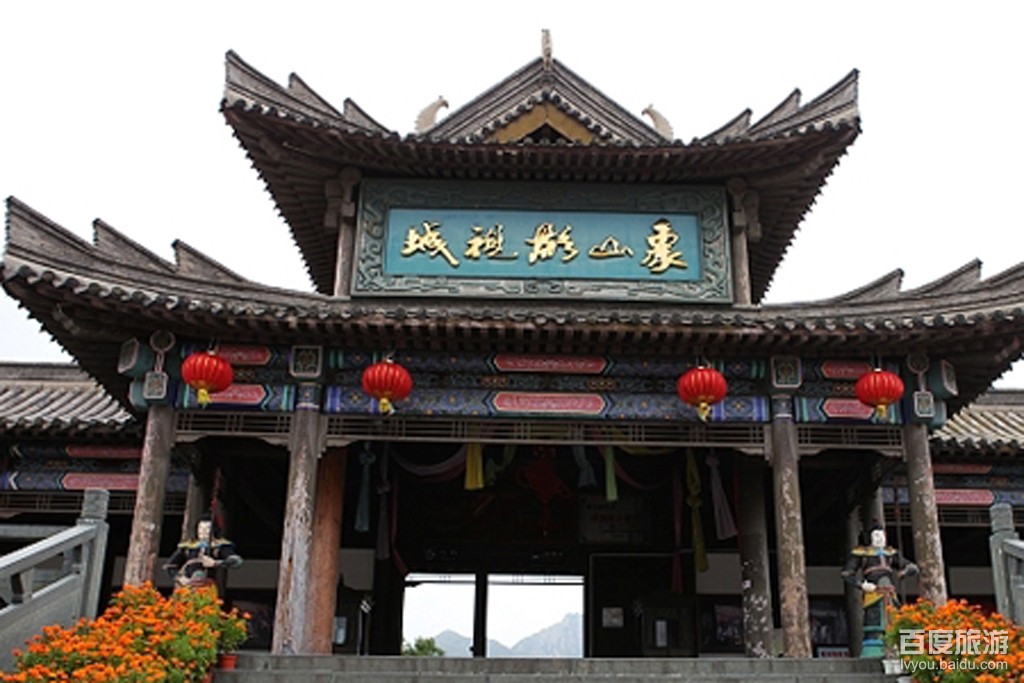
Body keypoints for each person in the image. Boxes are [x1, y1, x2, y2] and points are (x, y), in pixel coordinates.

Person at [841, 524, 917, 657]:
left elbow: (912, 567)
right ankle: (874, 648)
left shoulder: (890, 553)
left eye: (882, 535)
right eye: (876, 535)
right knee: (873, 619)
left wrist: (905, 571)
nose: (879, 538)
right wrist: (861, 585)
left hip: (890, 592)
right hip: (873, 592)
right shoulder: (862, 553)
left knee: (893, 619)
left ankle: (894, 647)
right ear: (870, 538)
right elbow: (847, 573)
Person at [164, 515, 243, 589]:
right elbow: (169, 566)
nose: (203, 531)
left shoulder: (219, 546)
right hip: (188, 584)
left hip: (208, 585)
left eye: (207, 529)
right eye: (201, 528)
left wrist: (215, 563)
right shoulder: (188, 546)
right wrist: (180, 578)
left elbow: (236, 561)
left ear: (213, 530)